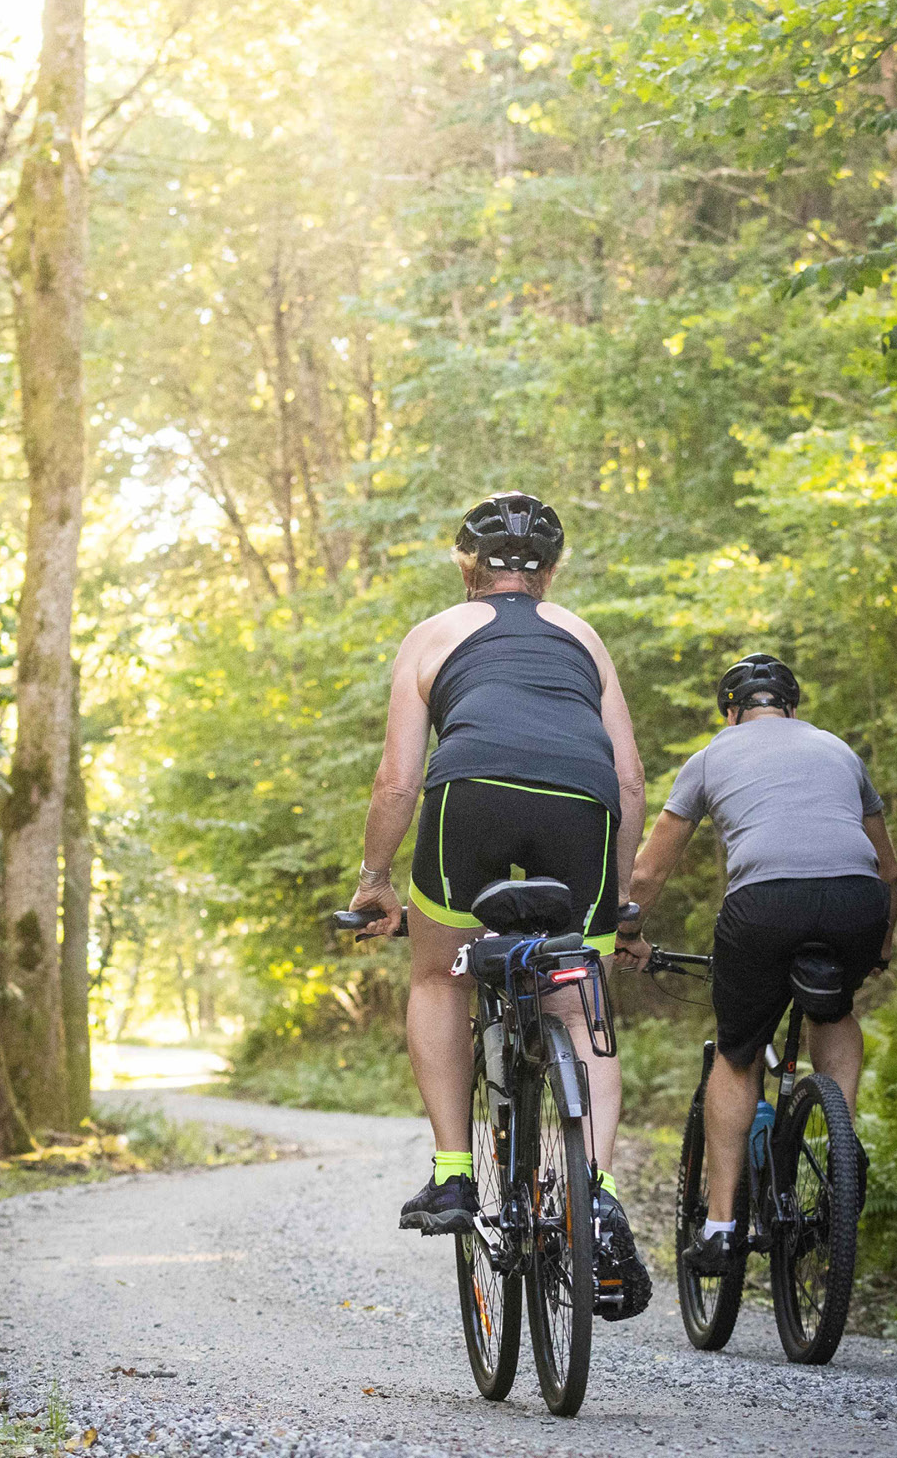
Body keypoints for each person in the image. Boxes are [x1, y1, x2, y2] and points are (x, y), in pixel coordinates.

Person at [346, 491, 654, 1319]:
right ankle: (592, 1189)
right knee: (577, 989)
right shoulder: (582, 635)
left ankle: (453, 1174)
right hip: (579, 801)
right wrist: (617, 898)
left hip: (470, 790)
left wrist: (374, 879)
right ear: (550, 571)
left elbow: (397, 779)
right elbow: (629, 779)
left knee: (440, 978)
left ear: (464, 564)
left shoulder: (434, 634)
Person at [612, 653, 897, 1275]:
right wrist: (878, 946)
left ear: (731, 712)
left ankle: (719, 1228)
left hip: (764, 904)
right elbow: (890, 868)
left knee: (738, 1054)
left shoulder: (714, 755)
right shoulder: (839, 750)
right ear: (793, 708)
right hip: (858, 899)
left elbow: (648, 869)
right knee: (836, 1009)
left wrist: (628, 931)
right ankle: (842, 1149)